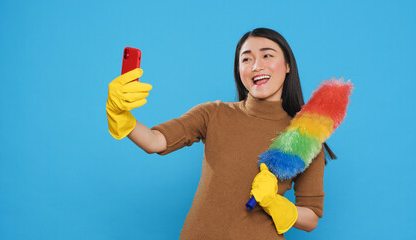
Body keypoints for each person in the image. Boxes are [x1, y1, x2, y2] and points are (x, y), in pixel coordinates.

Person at [106, 28, 327, 240]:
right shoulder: (213, 114)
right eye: (246, 59)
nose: (257, 66)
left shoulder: (305, 137)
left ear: (288, 65)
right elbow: (155, 142)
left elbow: (311, 218)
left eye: (267, 55)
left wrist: (275, 204)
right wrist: (121, 116)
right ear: (239, 70)